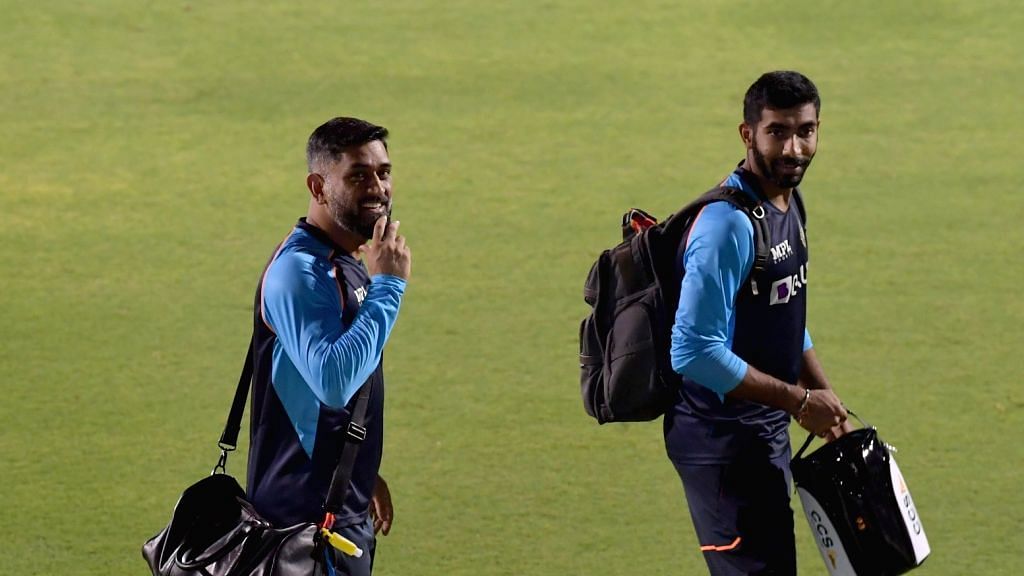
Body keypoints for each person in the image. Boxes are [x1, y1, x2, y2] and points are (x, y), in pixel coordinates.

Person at [664, 71, 852, 575]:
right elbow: (693, 350)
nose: (794, 148)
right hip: (721, 443)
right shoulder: (727, 226)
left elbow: (783, 312)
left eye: (806, 131)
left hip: (761, 428)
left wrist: (827, 403)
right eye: (778, 132)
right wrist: (799, 400)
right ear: (748, 134)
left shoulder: (788, 201)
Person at [246, 117, 411, 576]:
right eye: (358, 175)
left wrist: (357, 468)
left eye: (383, 171)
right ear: (318, 186)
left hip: (339, 514)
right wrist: (390, 286)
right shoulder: (298, 273)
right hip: (300, 529)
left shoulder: (349, 262)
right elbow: (333, 381)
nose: (378, 187)